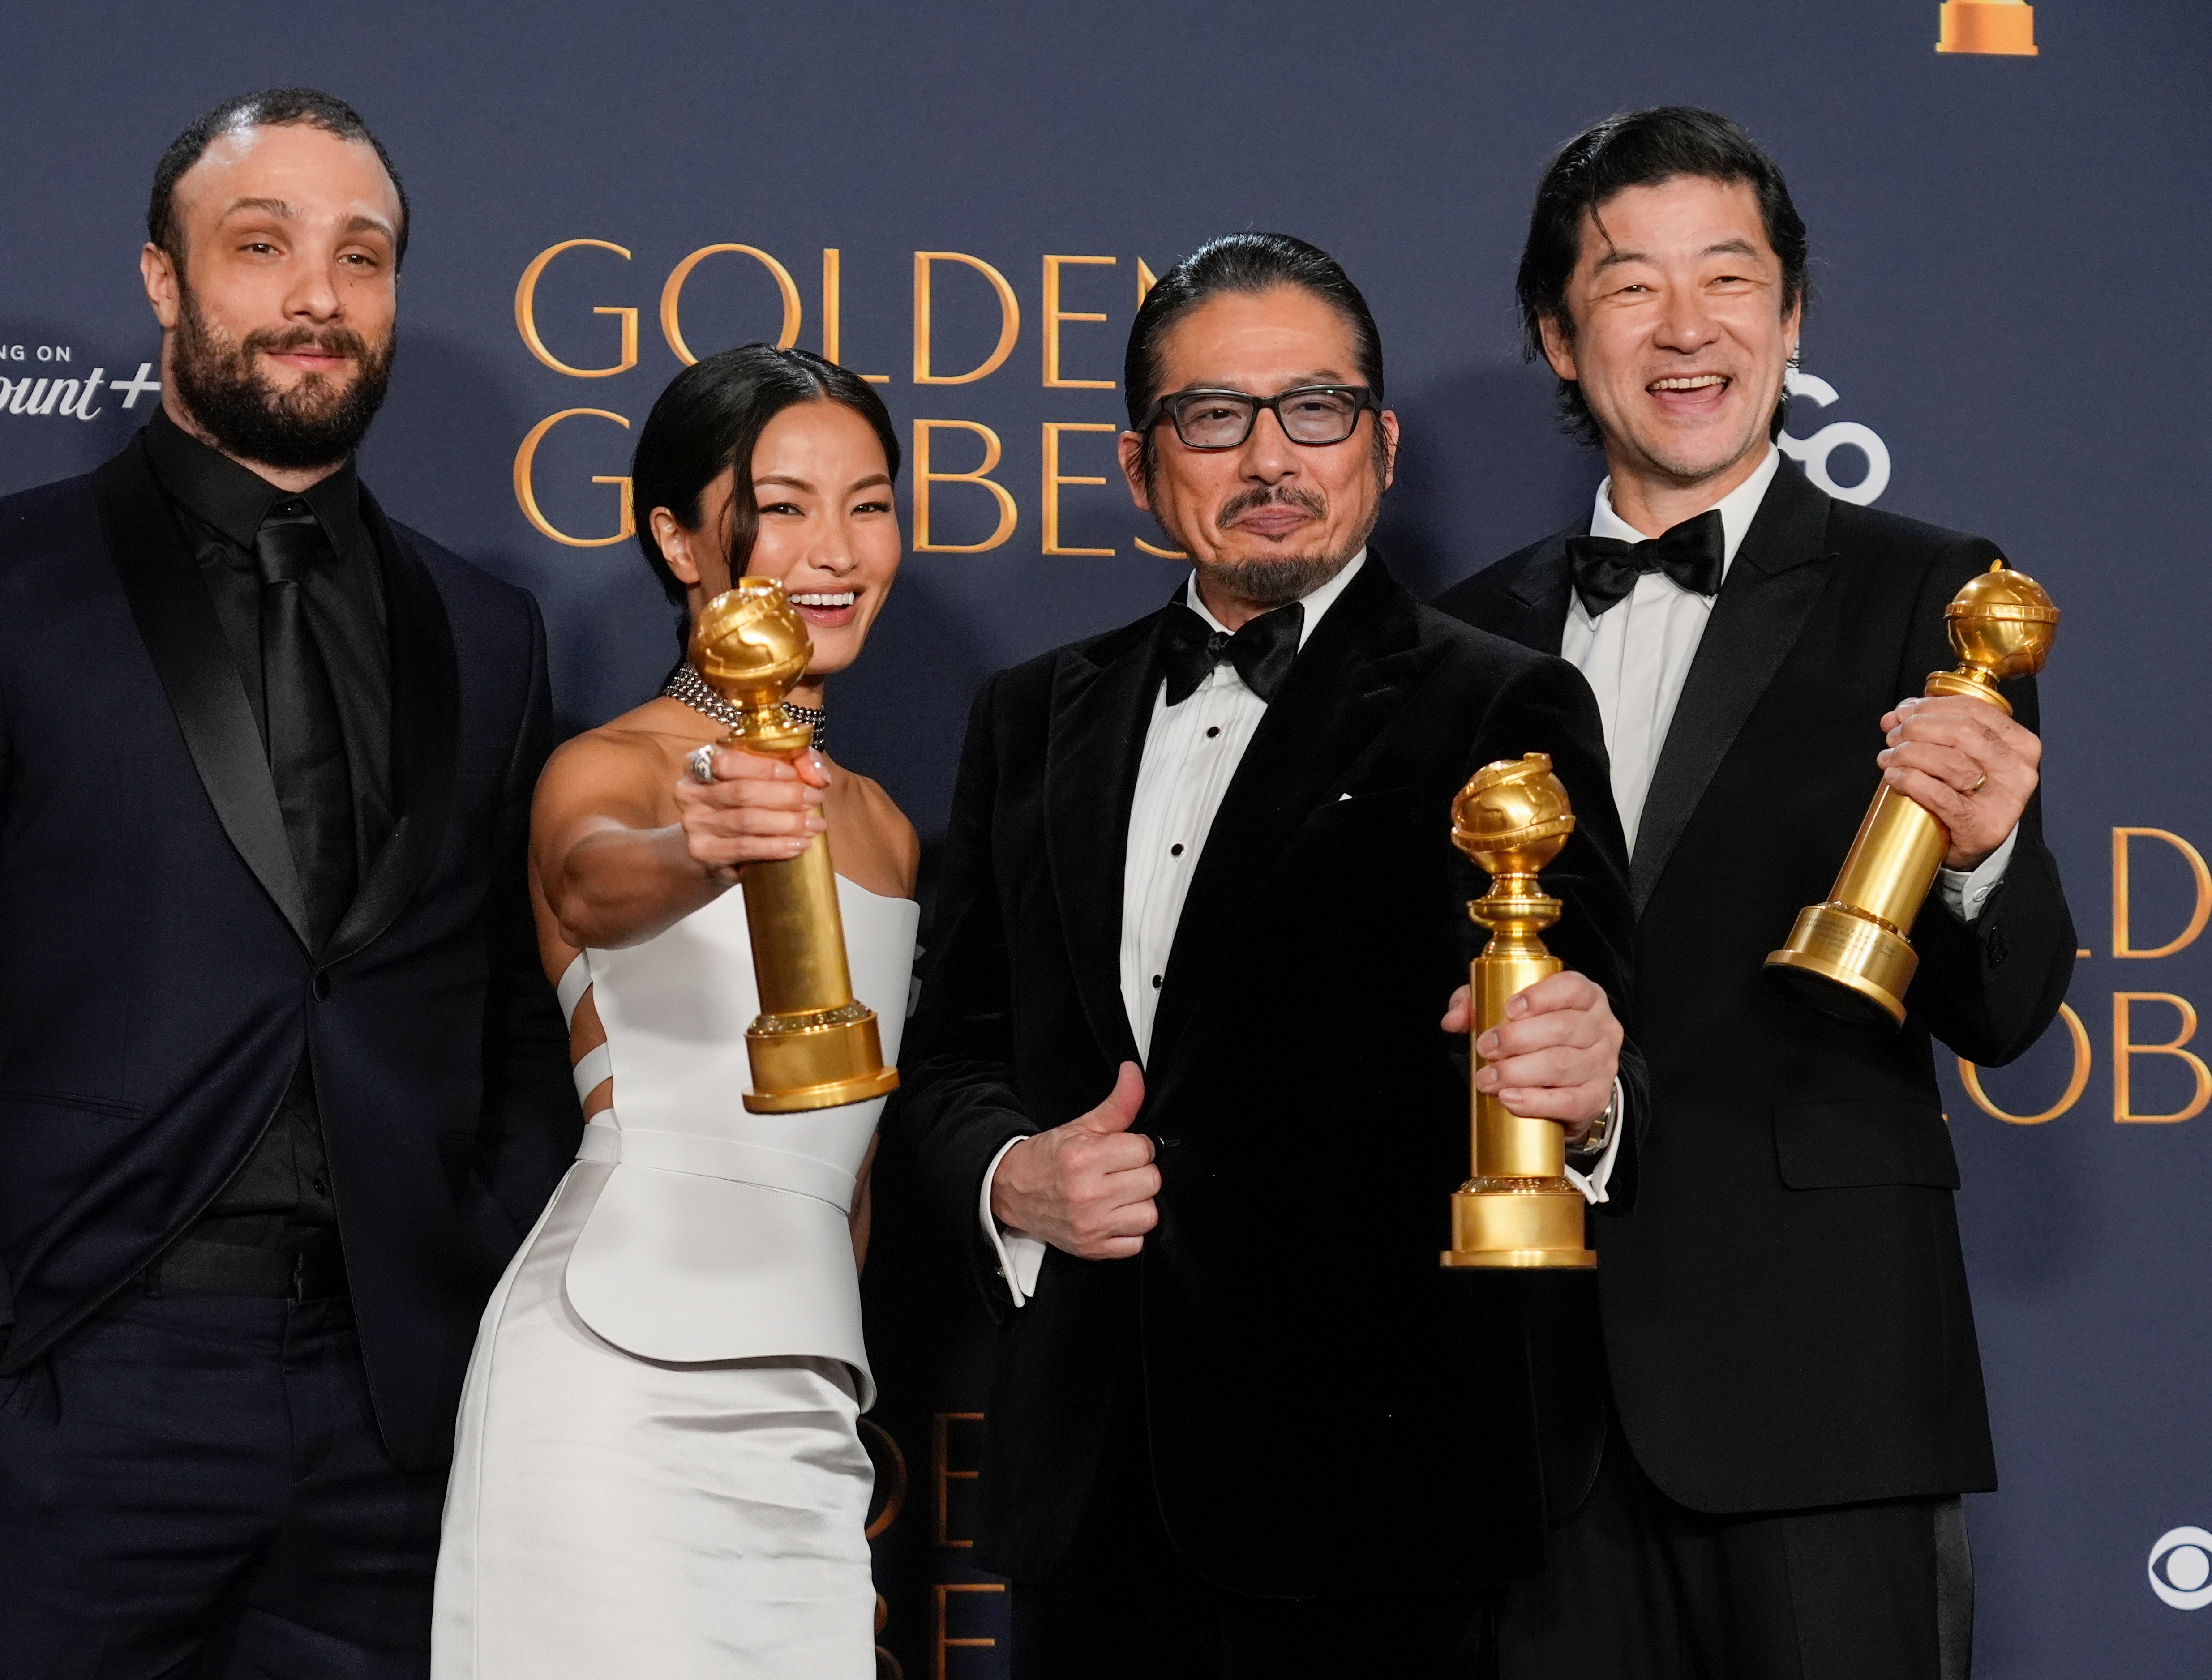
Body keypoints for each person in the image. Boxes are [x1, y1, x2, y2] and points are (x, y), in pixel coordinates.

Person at [0, 89, 577, 1678]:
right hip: (91, 1383)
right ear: (165, 281)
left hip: (392, 1419)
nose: (316, 298)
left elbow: (510, 1011)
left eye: (363, 258)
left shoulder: (487, 631)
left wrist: (469, 1313)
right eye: (262, 246)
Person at [889, 231, 1647, 1678]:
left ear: (1383, 445)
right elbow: (953, 1060)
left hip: (1376, 1498)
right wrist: (1011, 1172)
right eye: (1213, 416)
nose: (1270, 456)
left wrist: (1594, 1092)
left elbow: (1599, 1030)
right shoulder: (1030, 713)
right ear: (1136, 466)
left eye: (1316, 408)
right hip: (1091, 1488)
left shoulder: (1503, 703)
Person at [1436, 107, 2076, 1680]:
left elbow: (2001, 1010)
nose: (1686, 329)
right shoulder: (1458, 638)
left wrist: (1989, 855)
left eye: (1729, 280)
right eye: (1629, 286)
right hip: (1533, 1411)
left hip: (1827, 1400)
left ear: (1791, 320)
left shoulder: (1936, 592)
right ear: (1555, 335)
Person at [432, 343, 920, 1679]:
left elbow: (852, 1168)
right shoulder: (614, 769)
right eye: (784, 504)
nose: (835, 548)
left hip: (810, 1408)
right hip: (605, 1395)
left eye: (870, 502)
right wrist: (704, 839)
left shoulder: (881, 824)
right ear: (679, 539)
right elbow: (590, 884)